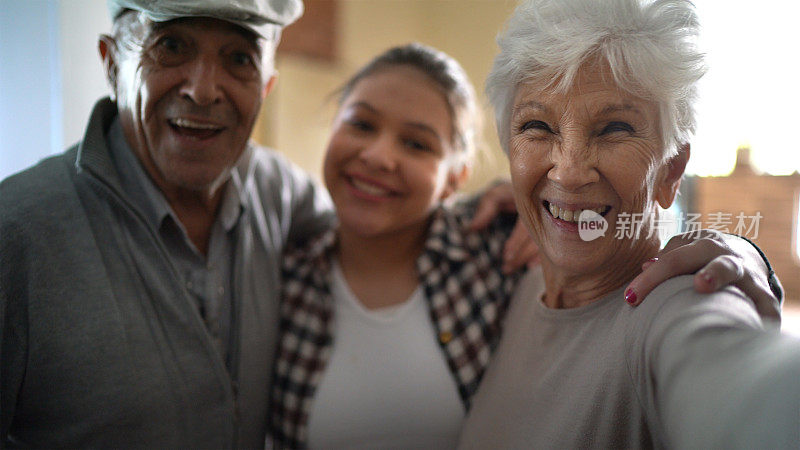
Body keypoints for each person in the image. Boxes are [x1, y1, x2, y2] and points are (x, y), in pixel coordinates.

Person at [267, 43, 785, 448]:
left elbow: (626, 256)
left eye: (417, 143)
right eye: (360, 124)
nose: (379, 156)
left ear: (455, 178)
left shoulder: (496, 251)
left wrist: (742, 254)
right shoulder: (275, 269)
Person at [458, 0, 799, 448]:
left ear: (671, 171)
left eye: (615, 128)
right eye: (538, 126)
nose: (569, 171)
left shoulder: (675, 303)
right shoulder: (511, 280)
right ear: (509, 152)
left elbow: (741, 380)